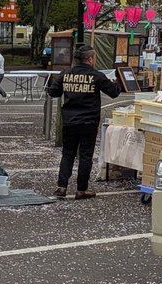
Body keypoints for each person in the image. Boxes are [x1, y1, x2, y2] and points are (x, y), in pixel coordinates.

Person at [45, 44, 121, 199]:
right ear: (90, 59)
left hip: (69, 120)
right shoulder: (96, 76)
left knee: (68, 154)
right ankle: (81, 189)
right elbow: (114, 93)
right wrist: (117, 83)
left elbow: (53, 92)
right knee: (85, 156)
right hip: (89, 121)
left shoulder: (66, 74)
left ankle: (62, 186)